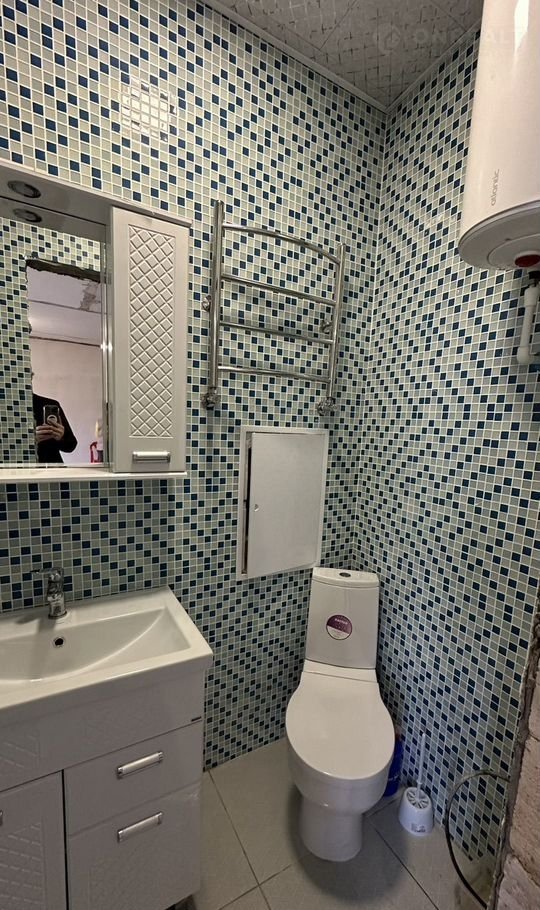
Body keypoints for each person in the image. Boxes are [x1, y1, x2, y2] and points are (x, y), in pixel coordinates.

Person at [33, 392, 77, 463]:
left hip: (52, 464)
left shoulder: (49, 403)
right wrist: (30, 440)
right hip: (23, 465)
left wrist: (61, 437)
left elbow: (71, 445)